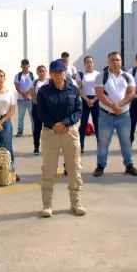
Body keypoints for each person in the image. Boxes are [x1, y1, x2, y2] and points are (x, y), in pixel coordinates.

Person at [36, 59, 85, 218]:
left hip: (70, 133)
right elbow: (40, 113)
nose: (59, 74)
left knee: (74, 169)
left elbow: (78, 110)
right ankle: (47, 205)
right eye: (55, 72)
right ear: (50, 74)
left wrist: (65, 123)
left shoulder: (73, 89)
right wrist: (53, 124)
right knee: (49, 170)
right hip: (50, 134)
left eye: (61, 71)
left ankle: (75, 203)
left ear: (66, 72)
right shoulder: (43, 91)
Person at [93, 52, 137, 177]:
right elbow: (100, 94)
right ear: (108, 62)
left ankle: (129, 165)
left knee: (126, 141)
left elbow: (131, 93)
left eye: (118, 60)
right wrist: (112, 106)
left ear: (121, 61)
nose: (116, 62)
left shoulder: (128, 77)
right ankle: (100, 165)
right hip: (105, 115)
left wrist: (120, 105)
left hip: (123, 115)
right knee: (103, 143)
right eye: (112, 60)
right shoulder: (101, 76)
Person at [75, 56, 100, 153]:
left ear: (93, 63)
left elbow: (100, 89)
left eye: (91, 62)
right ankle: (81, 145)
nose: (89, 64)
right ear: (84, 63)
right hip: (85, 100)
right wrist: (87, 99)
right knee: (83, 123)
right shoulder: (80, 75)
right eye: (87, 62)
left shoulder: (98, 75)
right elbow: (79, 89)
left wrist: (94, 100)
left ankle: (100, 144)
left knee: (97, 124)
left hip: (96, 99)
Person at [28, 65, 48, 155]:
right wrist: (40, 105)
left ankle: (49, 146)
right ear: (37, 72)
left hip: (49, 108)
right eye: (40, 71)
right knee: (37, 128)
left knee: (49, 128)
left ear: (46, 72)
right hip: (37, 107)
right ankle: (36, 147)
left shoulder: (50, 82)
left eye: (43, 71)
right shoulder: (34, 83)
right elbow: (32, 96)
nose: (42, 73)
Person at [14, 59, 34, 138]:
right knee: (20, 117)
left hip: (30, 99)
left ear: (29, 66)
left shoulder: (32, 75)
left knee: (32, 116)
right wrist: (23, 94)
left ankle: (34, 130)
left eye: (26, 64)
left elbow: (33, 85)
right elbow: (17, 86)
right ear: (21, 66)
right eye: (23, 64)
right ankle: (20, 131)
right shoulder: (18, 75)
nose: (25, 66)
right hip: (21, 100)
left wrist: (27, 93)